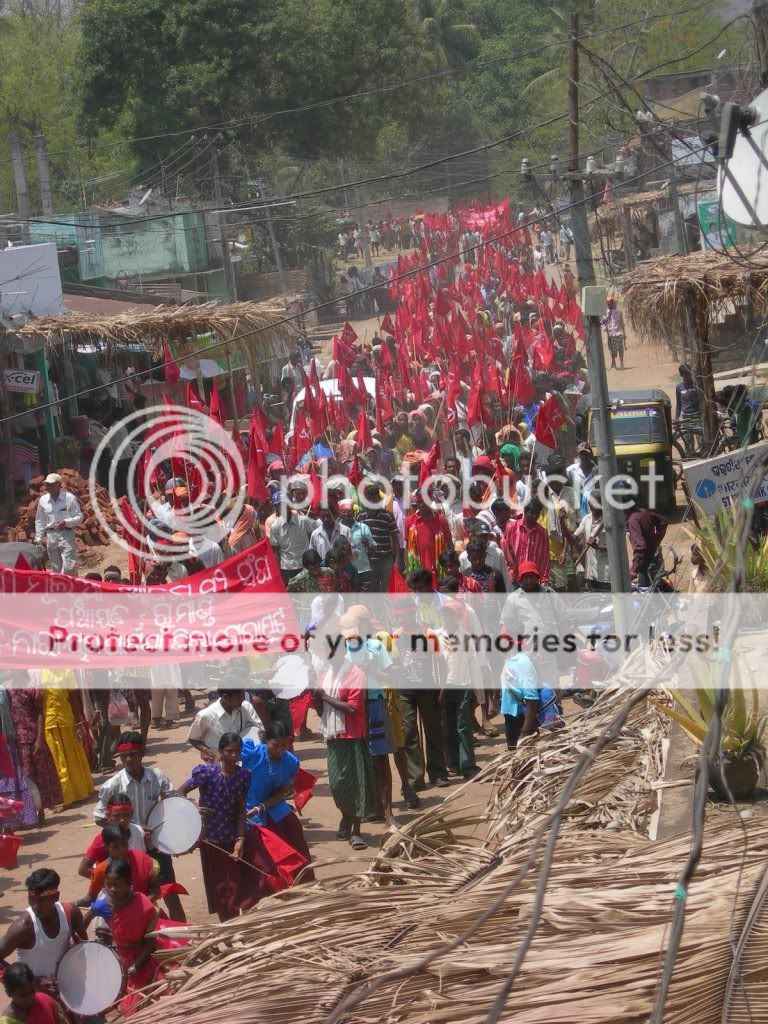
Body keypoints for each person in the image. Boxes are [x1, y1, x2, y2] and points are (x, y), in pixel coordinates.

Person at [93, 731, 184, 923]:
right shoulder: (113, 785)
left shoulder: (157, 777)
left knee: (169, 891)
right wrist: (133, 828)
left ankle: (183, 935)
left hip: (157, 846)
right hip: (130, 851)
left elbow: (172, 800)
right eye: (124, 755)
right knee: (135, 896)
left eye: (133, 754)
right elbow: (99, 816)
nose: (128, 759)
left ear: (142, 753)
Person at [178, 732, 250, 922]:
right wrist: (195, 810)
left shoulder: (243, 776)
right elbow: (180, 792)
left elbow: (242, 810)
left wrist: (240, 838)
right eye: (229, 752)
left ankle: (232, 923)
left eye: (237, 752)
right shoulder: (207, 773)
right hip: (211, 839)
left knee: (234, 885)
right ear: (220, 751)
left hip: (231, 837)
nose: (233, 756)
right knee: (220, 886)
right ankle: (229, 926)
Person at [317, 633, 376, 849]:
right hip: (334, 736)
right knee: (337, 783)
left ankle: (357, 830)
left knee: (358, 784)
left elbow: (353, 707)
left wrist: (324, 697)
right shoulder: (325, 675)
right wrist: (316, 698)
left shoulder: (355, 673)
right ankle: (346, 816)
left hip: (352, 735)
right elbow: (321, 710)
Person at [240, 720, 313, 893]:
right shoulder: (251, 753)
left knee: (295, 839)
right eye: (275, 745)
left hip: (273, 809)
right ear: (266, 740)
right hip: (248, 811)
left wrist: (262, 807)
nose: (280, 749)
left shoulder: (291, 762)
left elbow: (284, 792)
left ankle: (304, 886)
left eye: (284, 745)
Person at [89, 859, 159, 1012]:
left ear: (129, 883)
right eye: (108, 884)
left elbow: (150, 941)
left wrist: (136, 965)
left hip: (141, 961)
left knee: (141, 1008)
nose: (112, 889)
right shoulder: (103, 904)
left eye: (117, 884)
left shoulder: (144, 904)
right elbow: (83, 923)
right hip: (115, 962)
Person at [0, 869, 86, 985]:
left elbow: (85, 946)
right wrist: (33, 981)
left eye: (41, 900)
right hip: (34, 999)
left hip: (68, 991)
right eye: (31, 899)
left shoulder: (71, 913)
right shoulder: (24, 927)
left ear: (56, 896)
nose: (35, 906)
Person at [5, 680, 62, 821]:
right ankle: (30, 812)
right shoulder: (6, 689)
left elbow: (40, 713)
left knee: (40, 776)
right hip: (16, 740)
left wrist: (40, 738)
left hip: (33, 737)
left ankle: (41, 809)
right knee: (26, 777)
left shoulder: (33, 687)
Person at [39, 672, 92, 807]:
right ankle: (64, 798)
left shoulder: (66, 671)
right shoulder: (39, 673)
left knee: (72, 758)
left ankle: (81, 792)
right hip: (50, 723)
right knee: (57, 761)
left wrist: (79, 724)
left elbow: (74, 698)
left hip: (67, 720)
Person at [84, 823, 160, 903]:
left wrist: (141, 906)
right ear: (106, 847)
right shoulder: (100, 871)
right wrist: (74, 906)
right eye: (116, 847)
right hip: (116, 914)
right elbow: (92, 897)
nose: (122, 850)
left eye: (124, 844)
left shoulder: (142, 859)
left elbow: (156, 890)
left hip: (147, 911)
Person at [187, 684, 264, 762]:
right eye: (239, 697)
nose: (243, 699)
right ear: (226, 697)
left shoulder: (246, 707)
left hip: (243, 762)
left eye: (243, 695)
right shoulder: (206, 715)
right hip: (218, 765)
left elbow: (259, 730)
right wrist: (206, 751)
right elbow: (192, 738)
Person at [78, 793, 146, 881]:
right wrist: (111, 883)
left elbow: (142, 860)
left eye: (126, 815)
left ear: (132, 814)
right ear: (108, 816)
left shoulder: (139, 831)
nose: (122, 820)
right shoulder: (102, 839)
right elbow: (83, 870)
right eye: (116, 816)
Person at [33, 473, 83, 576]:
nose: (49, 487)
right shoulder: (43, 500)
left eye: (52, 484)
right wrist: (38, 538)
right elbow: (40, 521)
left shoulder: (69, 498)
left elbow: (79, 517)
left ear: (59, 485)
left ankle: (72, 589)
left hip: (66, 535)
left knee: (69, 567)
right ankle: (60, 590)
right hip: (51, 536)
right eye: (47, 484)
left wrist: (66, 522)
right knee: (56, 568)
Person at [269, 482, 316, 585]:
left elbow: (316, 534)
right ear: (276, 508)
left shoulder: (304, 521)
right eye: (279, 505)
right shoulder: (275, 527)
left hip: (305, 567)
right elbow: (276, 553)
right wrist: (277, 573)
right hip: (286, 569)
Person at [357, 483, 400, 592]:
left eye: (374, 498)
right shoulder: (360, 516)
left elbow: (395, 538)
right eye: (369, 498)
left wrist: (396, 559)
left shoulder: (388, 515)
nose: (372, 501)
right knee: (373, 591)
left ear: (379, 499)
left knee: (388, 590)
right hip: (368, 561)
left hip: (386, 559)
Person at [0, 962, 67, 1024]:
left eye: (32, 991)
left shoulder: (45, 1000)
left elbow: (61, 1020)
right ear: (8, 993)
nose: (29, 998)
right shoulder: (7, 1022)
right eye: (23, 995)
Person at [504, 499, 550, 585]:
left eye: (537, 513)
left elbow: (545, 558)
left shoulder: (543, 533)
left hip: (532, 580)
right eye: (531, 513)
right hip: (513, 578)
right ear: (525, 512)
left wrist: (544, 580)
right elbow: (505, 552)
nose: (534, 516)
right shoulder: (511, 527)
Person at [405, 493, 454, 574]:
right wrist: (407, 570)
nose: (422, 504)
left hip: (440, 569)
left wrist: (451, 565)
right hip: (418, 570)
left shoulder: (441, 520)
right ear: (416, 502)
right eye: (420, 501)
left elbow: (449, 543)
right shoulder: (409, 521)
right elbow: (407, 548)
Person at [573, 493, 610, 591]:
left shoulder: (609, 521)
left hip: (605, 573)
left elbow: (616, 548)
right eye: (590, 502)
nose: (591, 505)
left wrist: (598, 547)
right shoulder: (586, 519)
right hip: (590, 573)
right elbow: (575, 537)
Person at [626, 503, 668, 589]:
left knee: (646, 593)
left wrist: (634, 570)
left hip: (645, 563)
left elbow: (640, 547)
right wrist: (656, 540)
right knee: (656, 589)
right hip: (655, 557)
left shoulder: (633, 520)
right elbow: (664, 520)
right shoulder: (644, 512)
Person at [336, 500, 375, 590]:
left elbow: (374, 547)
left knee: (365, 600)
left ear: (354, 512)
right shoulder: (337, 529)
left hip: (363, 570)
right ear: (340, 513)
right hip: (345, 572)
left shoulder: (363, 527)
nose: (346, 514)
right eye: (344, 511)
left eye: (349, 511)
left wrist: (368, 544)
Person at [601, 297, 625, 370]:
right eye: (609, 302)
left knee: (621, 349)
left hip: (618, 333)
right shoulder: (605, 313)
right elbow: (603, 323)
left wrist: (624, 333)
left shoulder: (619, 312)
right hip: (610, 334)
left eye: (611, 302)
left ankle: (621, 364)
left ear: (614, 303)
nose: (610, 303)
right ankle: (614, 364)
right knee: (612, 350)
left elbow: (622, 323)